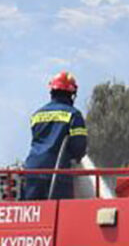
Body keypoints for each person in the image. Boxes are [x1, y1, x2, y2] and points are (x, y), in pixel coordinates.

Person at [21, 70, 88, 199]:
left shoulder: (36, 115)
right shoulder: (73, 115)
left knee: (35, 214)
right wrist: (77, 158)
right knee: (62, 215)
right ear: (71, 94)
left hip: (32, 171)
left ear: (52, 92)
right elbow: (79, 146)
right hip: (58, 173)